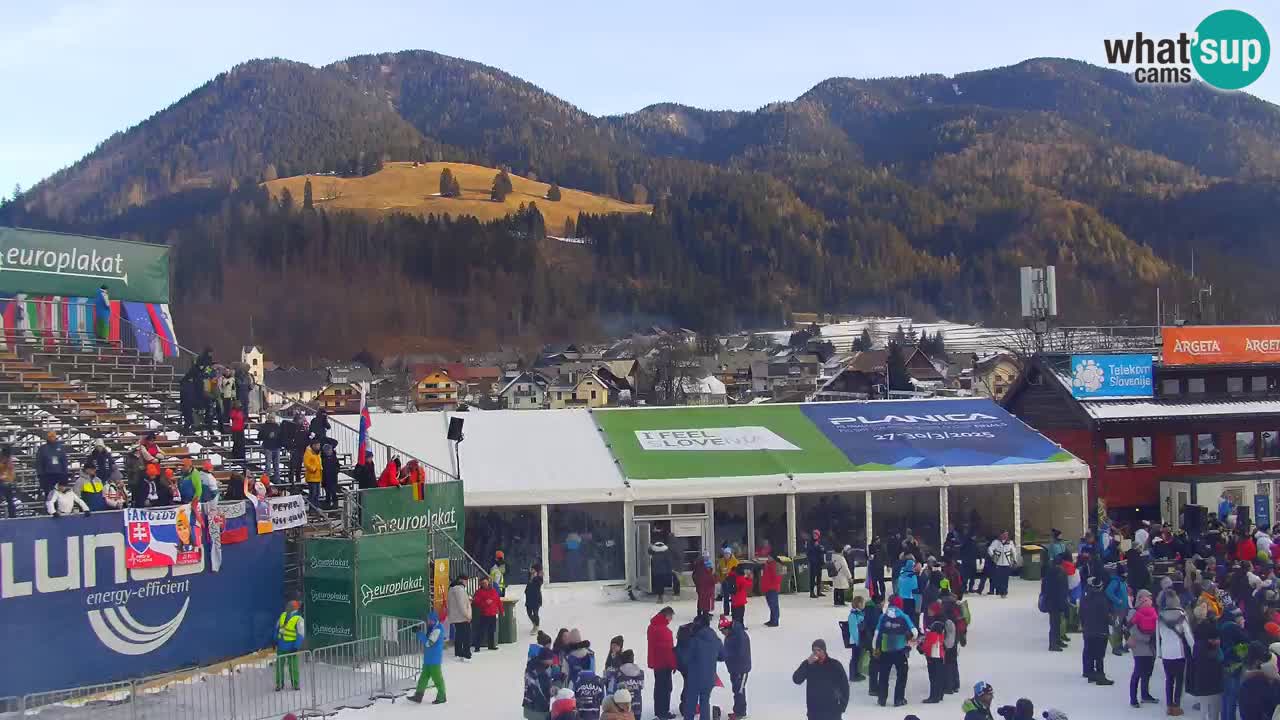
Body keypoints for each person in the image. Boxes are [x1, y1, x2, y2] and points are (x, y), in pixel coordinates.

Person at [872, 595, 918, 707]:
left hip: (885, 651)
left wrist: (875, 648)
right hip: (899, 651)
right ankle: (899, 699)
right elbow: (915, 632)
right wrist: (909, 638)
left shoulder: (883, 616)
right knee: (902, 675)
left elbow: (877, 634)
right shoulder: (904, 616)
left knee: (883, 675)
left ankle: (882, 699)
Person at [678, 614, 722, 720]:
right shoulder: (716, 639)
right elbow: (722, 656)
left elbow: (685, 658)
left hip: (695, 677)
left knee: (691, 703)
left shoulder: (694, 640)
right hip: (709, 677)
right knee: (705, 702)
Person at [792, 638, 849, 720]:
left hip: (832, 710)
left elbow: (844, 686)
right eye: (814, 650)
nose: (816, 653)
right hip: (814, 711)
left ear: (824, 650)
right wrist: (807, 664)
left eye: (819, 650)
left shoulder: (835, 665)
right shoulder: (809, 665)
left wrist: (842, 706)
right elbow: (796, 679)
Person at [1158, 595, 1195, 716]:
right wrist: (1193, 649)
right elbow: (1188, 635)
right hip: (1179, 652)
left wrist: (1159, 653)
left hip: (1166, 652)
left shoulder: (1160, 616)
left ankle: (1169, 705)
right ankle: (1177, 705)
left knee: (1169, 680)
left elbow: (1157, 637)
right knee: (1179, 680)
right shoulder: (1182, 616)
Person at [1080, 575, 1116, 685]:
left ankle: (1090, 673)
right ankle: (1100, 676)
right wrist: (1112, 621)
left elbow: (1081, 613)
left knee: (1089, 652)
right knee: (1099, 655)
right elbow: (1106, 616)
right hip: (1100, 631)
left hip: (1088, 630)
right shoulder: (1102, 599)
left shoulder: (1085, 597)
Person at [1128, 589, 1160, 708]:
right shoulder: (1133, 612)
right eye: (1147, 597)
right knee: (1138, 672)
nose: (1150, 600)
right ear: (1141, 598)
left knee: (1147, 671)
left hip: (1150, 646)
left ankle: (1145, 694)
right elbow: (1133, 631)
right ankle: (1133, 698)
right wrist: (1148, 638)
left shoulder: (1151, 611)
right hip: (1140, 647)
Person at [1187, 619, 1223, 720]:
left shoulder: (1197, 647)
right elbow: (1220, 661)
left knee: (1204, 710)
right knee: (1214, 710)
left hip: (1201, 684)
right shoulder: (1214, 650)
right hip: (1214, 685)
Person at [409, 611, 447, 704]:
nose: (428, 622)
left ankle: (442, 697)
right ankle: (418, 696)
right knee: (423, 678)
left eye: (430, 620)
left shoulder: (438, 629)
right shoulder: (433, 628)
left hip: (434, 659)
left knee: (437, 678)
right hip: (429, 658)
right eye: (428, 620)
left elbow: (428, 643)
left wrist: (419, 633)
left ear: (434, 620)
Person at [647, 607, 677, 720]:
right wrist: (673, 664)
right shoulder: (665, 631)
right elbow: (668, 651)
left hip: (656, 662)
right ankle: (664, 712)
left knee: (658, 687)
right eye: (670, 617)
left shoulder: (652, 627)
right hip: (664, 664)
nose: (671, 619)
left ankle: (659, 711)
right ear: (666, 615)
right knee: (666, 688)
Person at [721, 616, 751, 720]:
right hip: (734, 669)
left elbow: (740, 653)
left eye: (723, 631)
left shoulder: (740, 636)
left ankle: (740, 713)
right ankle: (737, 710)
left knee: (739, 691)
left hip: (741, 669)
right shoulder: (731, 635)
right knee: (736, 690)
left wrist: (727, 655)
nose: (722, 634)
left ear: (727, 628)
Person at [274, 599, 304, 691]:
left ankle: (293, 684)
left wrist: (296, 647)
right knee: (281, 666)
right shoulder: (284, 616)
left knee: (291, 667)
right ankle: (282, 684)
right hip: (283, 646)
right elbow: (277, 628)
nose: (287, 607)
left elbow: (300, 634)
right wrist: (275, 640)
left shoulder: (298, 619)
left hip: (289, 647)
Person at [1042, 552, 1070, 651]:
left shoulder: (1049, 572)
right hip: (1058, 601)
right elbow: (1064, 589)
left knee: (1054, 623)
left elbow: (1044, 587)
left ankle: (1055, 641)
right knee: (1056, 623)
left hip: (1051, 601)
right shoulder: (1061, 573)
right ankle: (1054, 643)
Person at [524, 647, 558, 720]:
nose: (553, 661)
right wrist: (554, 690)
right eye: (551, 658)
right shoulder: (542, 673)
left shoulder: (532, 664)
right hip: (539, 707)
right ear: (546, 659)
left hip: (528, 703)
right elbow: (544, 691)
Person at [611, 650, 645, 720]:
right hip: (637, 705)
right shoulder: (640, 672)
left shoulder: (618, 673)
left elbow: (613, 689)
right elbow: (641, 686)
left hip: (623, 706)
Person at [921, 620, 948, 703]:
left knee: (933, 678)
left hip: (932, 658)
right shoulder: (941, 636)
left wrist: (921, 648)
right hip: (940, 658)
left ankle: (933, 697)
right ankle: (939, 695)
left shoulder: (932, 635)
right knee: (939, 677)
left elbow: (927, 646)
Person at [36, 431, 69, 498]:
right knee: (49, 495)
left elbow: (64, 461)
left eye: (53, 436)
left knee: (60, 495)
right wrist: (41, 475)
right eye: (50, 436)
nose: (51, 438)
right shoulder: (43, 449)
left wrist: (65, 474)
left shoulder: (60, 448)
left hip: (59, 474)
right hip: (47, 475)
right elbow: (39, 462)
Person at [473, 576, 501, 652]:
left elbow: (498, 601)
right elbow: (476, 602)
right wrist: (485, 603)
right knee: (481, 631)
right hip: (484, 614)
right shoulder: (478, 592)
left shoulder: (493, 591)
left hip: (492, 614)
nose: (484, 584)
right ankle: (477, 646)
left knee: (492, 631)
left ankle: (491, 645)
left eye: (485, 582)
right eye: (483, 583)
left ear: (488, 582)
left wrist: (501, 610)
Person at [447, 574, 472, 661]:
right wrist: (467, 615)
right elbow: (461, 605)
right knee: (465, 635)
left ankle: (458, 652)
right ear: (462, 580)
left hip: (456, 616)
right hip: (461, 616)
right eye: (466, 580)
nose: (467, 582)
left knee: (459, 634)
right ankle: (466, 652)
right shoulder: (459, 590)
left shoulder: (452, 589)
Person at [987, 531, 1019, 598]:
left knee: (1005, 579)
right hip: (998, 564)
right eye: (1004, 534)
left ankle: (1004, 592)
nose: (1005, 536)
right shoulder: (996, 542)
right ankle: (999, 591)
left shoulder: (1010, 542)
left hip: (1007, 564)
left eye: (1007, 534)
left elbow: (1014, 551)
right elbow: (990, 549)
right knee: (998, 579)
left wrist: (1015, 560)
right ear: (1001, 535)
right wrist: (993, 556)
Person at [847, 596, 867, 682]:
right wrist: (857, 641)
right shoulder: (853, 615)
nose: (864, 605)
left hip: (860, 639)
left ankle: (857, 672)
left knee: (858, 657)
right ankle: (852, 674)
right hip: (856, 641)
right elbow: (853, 630)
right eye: (863, 603)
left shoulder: (860, 613)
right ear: (859, 604)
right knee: (855, 657)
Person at [650, 539, 675, 603]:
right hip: (664, 572)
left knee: (658, 584)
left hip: (656, 572)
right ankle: (660, 597)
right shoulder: (666, 553)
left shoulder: (654, 553)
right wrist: (670, 570)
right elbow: (669, 562)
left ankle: (660, 597)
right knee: (661, 584)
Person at [259, 415, 282, 484]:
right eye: (270, 418)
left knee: (276, 465)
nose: (271, 419)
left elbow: (281, 435)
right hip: (268, 447)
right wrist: (267, 435)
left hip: (276, 446)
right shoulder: (265, 426)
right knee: (268, 465)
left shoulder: (277, 426)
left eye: (272, 418)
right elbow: (259, 436)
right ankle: (266, 481)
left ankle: (277, 480)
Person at [761, 554, 783, 627]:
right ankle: (772, 620)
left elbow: (778, 578)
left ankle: (775, 621)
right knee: (771, 605)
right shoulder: (767, 564)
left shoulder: (777, 565)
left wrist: (772, 585)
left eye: (769, 556)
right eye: (768, 556)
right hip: (768, 588)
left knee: (774, 605)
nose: (768, 558)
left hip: (773, 588)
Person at [807, 531, 827, 598]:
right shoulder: (810, 542)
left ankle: (819, 592)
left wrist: (821, 548)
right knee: (812, 578)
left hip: (819, 562)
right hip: (813, 563)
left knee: (819, 577)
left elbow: (824, 550)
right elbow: (808, 551)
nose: (815, 535)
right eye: (814, 534)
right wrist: (815, 547)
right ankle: (812, 593)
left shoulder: (820, 542)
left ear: (818, 535)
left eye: (816, 534)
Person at [527, 562, 544, 636]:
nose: (532, 570)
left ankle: (536, 626)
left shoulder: (539, 577)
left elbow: (539, 583)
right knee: (529, 612)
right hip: (529, 597)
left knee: (535, 612)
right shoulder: (530, 575)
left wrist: (535, 577)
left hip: (536, 598)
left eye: (533, 569)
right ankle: (534, 623)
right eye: (531, 569)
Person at [302, 442, 322, 506]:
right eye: (317, 445)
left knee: (317, 493)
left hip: (318, 477)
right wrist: (313, 469)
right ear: (313, 445)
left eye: (319, 445)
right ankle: (312, 508)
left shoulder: (318, 453)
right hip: (311, 477)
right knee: (313, 494)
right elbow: (306, 463)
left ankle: (316, 507)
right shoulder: (308, 452)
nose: (318, 446)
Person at [320, 442, 339, 509]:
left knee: (333, 491)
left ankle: (335, 504)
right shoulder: (322, 458)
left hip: (333, 477)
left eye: (329, 450)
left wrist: (335, 471)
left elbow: (337, 466)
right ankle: (327, 504)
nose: (329, 451)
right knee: (327, 492)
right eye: (327, 450)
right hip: (325, 478)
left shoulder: (334, 458)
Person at [0, 446, 16, 518]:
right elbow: (12, 473)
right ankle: (12, 516)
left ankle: (12, 515)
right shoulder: (9, 461)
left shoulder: (6, 461)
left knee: (9, 500)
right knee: (10, 500)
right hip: (7, 482)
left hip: (3, 482)